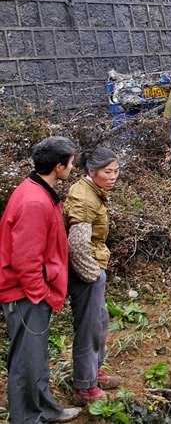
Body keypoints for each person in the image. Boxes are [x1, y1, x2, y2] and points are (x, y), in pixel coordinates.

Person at [0, 137, 82, 424]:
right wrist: (40, 294)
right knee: (25, 361)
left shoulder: (38, 190)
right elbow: (26, 259)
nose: (73, 167)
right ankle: (26, 419)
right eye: (71, 163)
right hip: (24, 296)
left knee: (35, 358)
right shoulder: (34, 202)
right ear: (59, 167)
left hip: (32, 293)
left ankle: (46, 409)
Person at [64, 148, 123, 404]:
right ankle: (85, 387)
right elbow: (76, 245)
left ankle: (95, 371)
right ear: (92, 172)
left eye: (116, 171)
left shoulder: (94, 192)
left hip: (95, 263)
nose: (113, 177)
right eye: (107, 172)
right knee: (88, 327)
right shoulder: (84, 198)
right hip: (86, 270)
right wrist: (93, 276)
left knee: (100, 320)